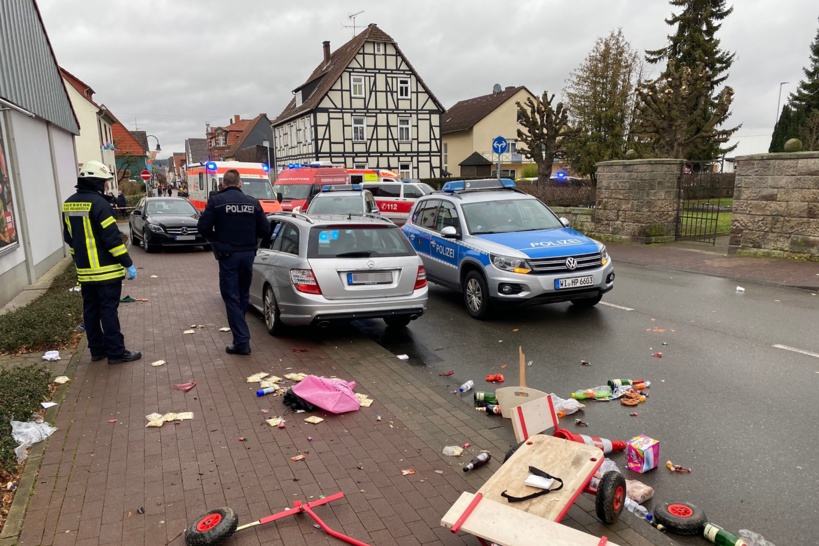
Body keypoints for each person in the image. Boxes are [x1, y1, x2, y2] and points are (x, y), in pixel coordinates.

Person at [63, 160, 142, 365]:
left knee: (90, 311)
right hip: (106, 272)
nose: (106, 186)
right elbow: (112, 240)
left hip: (85, 271)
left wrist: (78, 261)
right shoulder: (100, 205)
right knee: (108, 311)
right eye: (104, 182)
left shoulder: (68, 204)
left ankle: (97, 350)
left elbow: (70, 238)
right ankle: (116, 352)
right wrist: (127, 263)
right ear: (96, 182)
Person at [197, 169, 270, 355]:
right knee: (243, 295)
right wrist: (251, 238)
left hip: (228, 256)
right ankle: (240, 335)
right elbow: (265, 230)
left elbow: (203, 227)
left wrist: (217, 240)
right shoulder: (253, 203)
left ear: (223, 184)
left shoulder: (216, 201)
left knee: (230, 297)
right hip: (248, 254)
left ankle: (242, 342)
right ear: (240, 184)